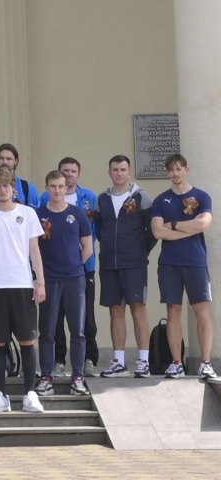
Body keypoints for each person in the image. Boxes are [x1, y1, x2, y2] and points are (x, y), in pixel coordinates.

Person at [0, 167, 46, 414]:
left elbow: (34, 250)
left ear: (13, 187)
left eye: (6, 185)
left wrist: (40, 282)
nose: (2, 190)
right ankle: (0, 394)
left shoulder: (28, 213)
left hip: (23, 285)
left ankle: (30, 394)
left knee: (27, 339)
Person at [150, 153, 215, 379]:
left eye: (179, 169)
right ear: (167, 172)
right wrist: (190, 228)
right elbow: (157, 231)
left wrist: (175, 224)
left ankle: (206, 363)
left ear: (187, 169)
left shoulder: (202, 196)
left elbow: (203, 224)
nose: (175, 173)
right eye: (171, 169)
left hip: (195, 261)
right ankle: (177, 363)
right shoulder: (161, 200)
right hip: (169, 263)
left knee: (201, 310)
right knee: (173, 311)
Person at [94, 155, 156, 378]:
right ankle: (119, 362)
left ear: (129, 173)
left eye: (123, 169)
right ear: (109, 172)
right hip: (109, 264)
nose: (119, 173)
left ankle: (144, 361)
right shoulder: (101, 199)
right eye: (115, 169)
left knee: (138, 308)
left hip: (134, 264)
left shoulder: (142, 197)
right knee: (115, 310)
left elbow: (152, 231)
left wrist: (140, 251)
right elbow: (99, 230)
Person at [34, 171, 93, 397]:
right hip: (48, 280)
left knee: (77, 330)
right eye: (53, 186)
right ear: (47, 188)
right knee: (47, 330)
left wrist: (75, 266)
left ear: (66, 188)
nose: (57, 190)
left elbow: (88, 247)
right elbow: (33, 249)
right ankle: (46, 377)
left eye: (61, 186)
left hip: (74, 279)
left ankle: (77, 377)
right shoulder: (38, 215)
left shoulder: (77, 213)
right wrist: (39, 277)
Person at [0, 143, 41, 208]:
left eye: (9, 159)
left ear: (16, 161)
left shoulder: (28, 189)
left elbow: (36, 213)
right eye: (1, 158)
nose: (4, 162)